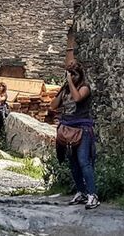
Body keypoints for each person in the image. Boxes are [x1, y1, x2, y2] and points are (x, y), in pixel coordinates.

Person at [49, 62, 99, 209]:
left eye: (74, 74)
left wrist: (70, 83)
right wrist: (63, 87)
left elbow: (77, 98)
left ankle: (92, 194)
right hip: (67, 131)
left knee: (84, 162)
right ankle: (81, 192)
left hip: (82, 130)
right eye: (70, 74)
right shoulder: (65, 89)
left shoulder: (85, 88)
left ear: (80, 75)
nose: (72, 77)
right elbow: (53, 105)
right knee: (73, 163)